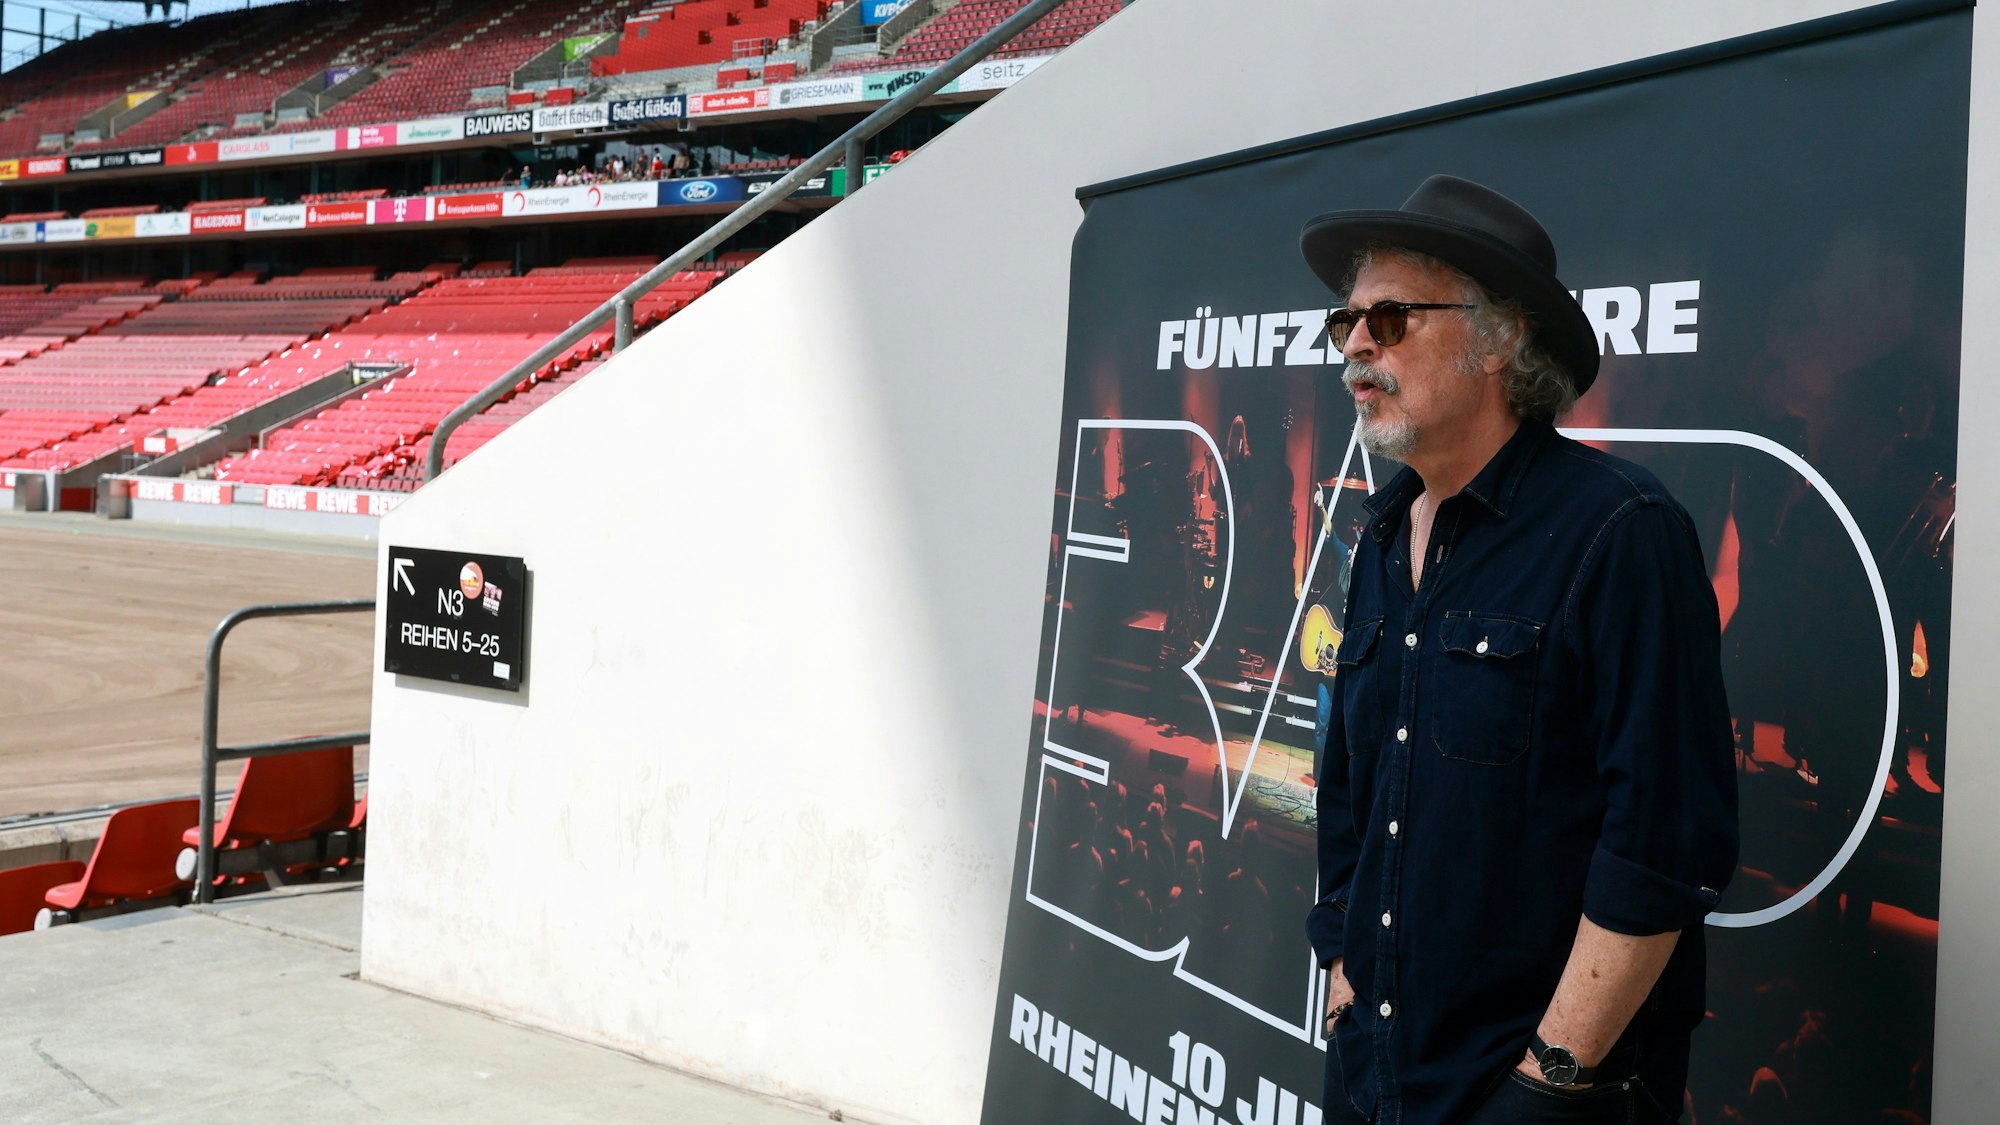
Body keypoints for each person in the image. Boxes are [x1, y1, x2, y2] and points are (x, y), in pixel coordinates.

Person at [1300, 175, 1738, 1124]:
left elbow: (1663, 845)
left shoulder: (1622, 529)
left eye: (1391, 315)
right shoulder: (1378, 538)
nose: (1358, 344)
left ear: (1500, 337)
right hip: (1373, 1073)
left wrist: (1550, 1080)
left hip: (1538, 1098)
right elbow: (1352, 794)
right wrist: (1342, 979)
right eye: (1348, 322)